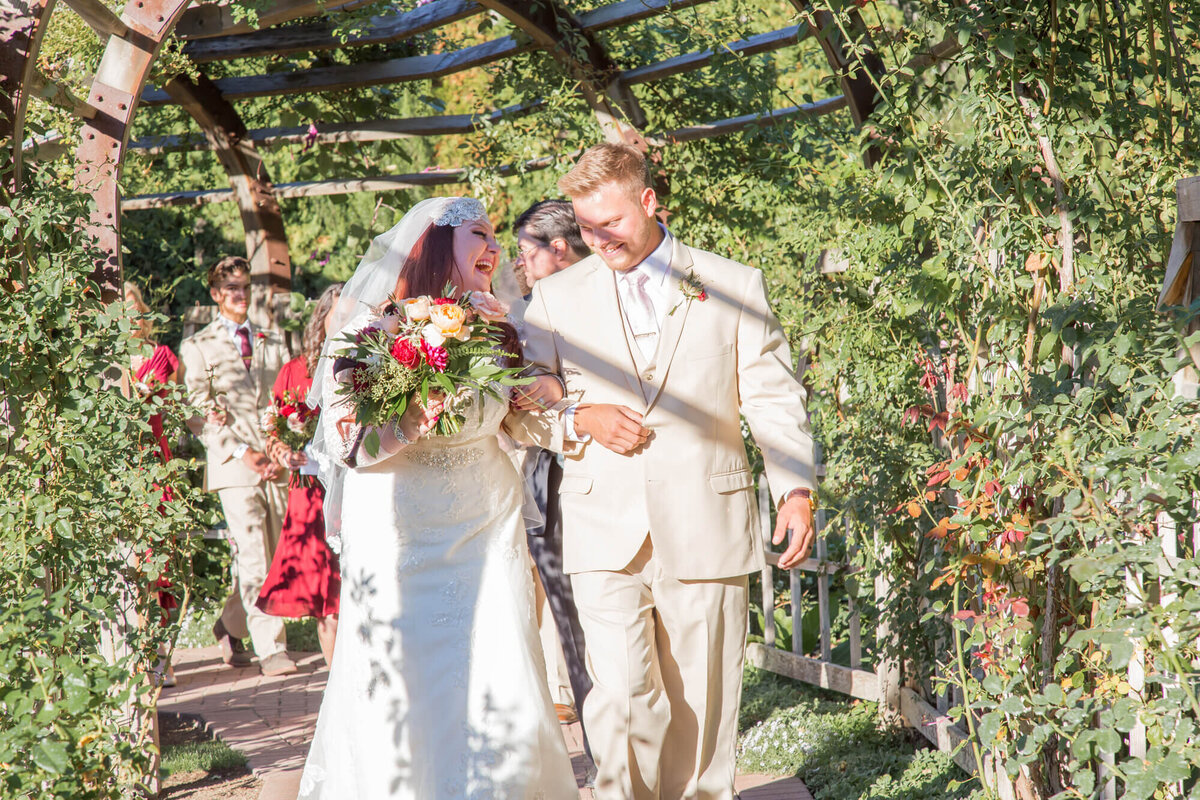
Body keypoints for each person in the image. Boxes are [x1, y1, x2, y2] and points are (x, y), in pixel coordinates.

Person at [515, 143, 818, 800]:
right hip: (601, 530)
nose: (598, 240)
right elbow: (524, 409)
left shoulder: (733, 284)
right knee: (621, 702)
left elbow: (771, 397)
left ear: (648, 203)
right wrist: (579, 418)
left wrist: (794, 490)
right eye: (585, 228)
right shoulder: (556, 298)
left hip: (707, 520)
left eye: (611, 223)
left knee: (702, 709)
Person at [298, 196, 577, 799]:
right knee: (401, 681)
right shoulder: (365, 333)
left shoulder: (499, 328)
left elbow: (516, 418)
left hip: (486, 523)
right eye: (480, 233)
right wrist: (413, 418)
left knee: (499, 668)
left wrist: (549, 392)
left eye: (497, 236)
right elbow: (348, 443)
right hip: (397, 534)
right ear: (432, 244)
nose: (496, 249)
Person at [179, 256, 297, 677]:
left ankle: (229, 624)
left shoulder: (273, 339)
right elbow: (197, 415)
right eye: (231, 288)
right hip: (233, 465)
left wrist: (281, 446)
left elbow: (286, 400)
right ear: (215, 294)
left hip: (277, 463)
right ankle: (272, 650)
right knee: (252, 558)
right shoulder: (197, 347)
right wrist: (242, 452)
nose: (240, 295)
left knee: (277, 553)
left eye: (245, 286)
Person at [510, 200, 594, 729]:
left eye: (524, 252)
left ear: (556, 248)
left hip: (605, 469)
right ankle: (594, 737)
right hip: (545, 472)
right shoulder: (524, 309)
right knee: (566, 617)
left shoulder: (611, 292)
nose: (519, 263)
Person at [255, 283, 345, 668]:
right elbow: (272, 428)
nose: (343, 322)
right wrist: (284, 452)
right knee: (328, 591)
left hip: (355, 487)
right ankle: (337, 678)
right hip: (310, 489)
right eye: (336, 315)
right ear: (321, 319)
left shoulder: (371, 366)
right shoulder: (296, 371)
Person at [124, 280, 180, 685]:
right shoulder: (100, 359)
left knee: (155, 556)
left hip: (152, 464)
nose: (128, 316)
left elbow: (156, 397)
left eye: (133, 307)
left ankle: (160, 652)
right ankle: (133, 649)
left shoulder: (159, 355)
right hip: (118, 467)